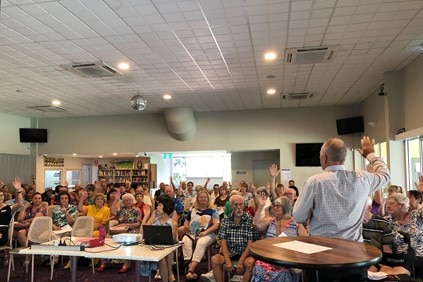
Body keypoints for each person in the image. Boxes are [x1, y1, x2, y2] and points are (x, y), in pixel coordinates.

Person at [293, 136, 391, 241]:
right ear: (343, 158)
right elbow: (385, 175)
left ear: (324, 158)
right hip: (353, 250)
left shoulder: (313, 182)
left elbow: (299, 216)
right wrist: (371, 154)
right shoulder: (363, 178)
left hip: (321, 248)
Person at [201, 194, 260, 282]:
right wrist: (228, 260)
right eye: (235, 205)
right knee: (215, 260)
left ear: (244, 205)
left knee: (250, 262)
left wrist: (241, 261)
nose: (238, 207)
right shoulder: (226, 220)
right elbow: (223, 242)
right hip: (230, 252)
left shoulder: (250, 220)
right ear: (231, 206)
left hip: (245, 253)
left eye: (241, 204)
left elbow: (250, 244)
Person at [250, 195, 307, 282]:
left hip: (287, 260)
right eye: (274, 206)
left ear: (285, 206)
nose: (274, 208)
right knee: (259, 265)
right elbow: (256, 224)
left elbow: (307, 243)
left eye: (278, 206)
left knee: (281, 272)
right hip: (269, 257)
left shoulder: (297, 223)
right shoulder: (272, 220)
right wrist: (261, 206)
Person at [363, 197, 409, 276]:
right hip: (359, 259)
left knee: (371, 273)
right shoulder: (353, 223)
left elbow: (387, 251)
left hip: (378, 260)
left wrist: (383, 265)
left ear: (369, 208)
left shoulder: (382, 223)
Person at [180, 189, 220, 280]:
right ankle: (189, 263)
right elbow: (187, 222)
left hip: (208, 234)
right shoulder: (192, 210)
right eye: (201, 197)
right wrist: (186, 227)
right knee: (185, 240)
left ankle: (191, 269)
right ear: (197, 199)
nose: (203, 199)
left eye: (205, 197)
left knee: (201, 242)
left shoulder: (213, 210)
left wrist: (205, 232)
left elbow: (216, 225)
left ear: (208, 198)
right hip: (193, 233)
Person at [97, 192, 140, 273]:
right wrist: (116, 200)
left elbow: (138, 224)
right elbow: (112, 212)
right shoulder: (121, 209)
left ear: (133, 201)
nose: (128, 202)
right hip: (119, 229)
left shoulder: (136, 210)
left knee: (126, 239)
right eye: (125, 200)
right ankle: (104, 262)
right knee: (108, 238)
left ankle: (126, 263)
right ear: (123, 201)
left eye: (129, 200)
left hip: (131, 229)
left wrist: (126, 225)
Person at [385, 193, 423, 278]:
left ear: (401, 205)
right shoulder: (386, 221)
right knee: (391, 274)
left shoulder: (416, 215)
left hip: (419, 256)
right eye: (387, 204)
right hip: (399, 258)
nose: (388, 206)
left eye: (391, 204)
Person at [145, 194, 177, 282]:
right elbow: (144, 232)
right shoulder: (154, 220)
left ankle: (168, 275)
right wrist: (147, 216)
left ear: (166, 207)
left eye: (160, 205)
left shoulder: (172, 223)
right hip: (153, 247)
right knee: (162, 256)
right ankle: (170, 274)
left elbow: (172, 240)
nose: (157, 207)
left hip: (166, 248)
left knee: (164, 254)